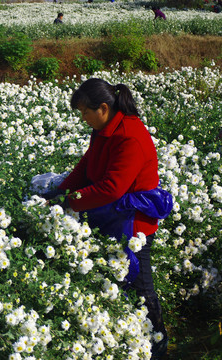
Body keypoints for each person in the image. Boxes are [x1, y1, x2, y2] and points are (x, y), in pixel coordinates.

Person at [44, 78, 171, 359]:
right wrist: (61, 190)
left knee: (141, 284)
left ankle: (159, 342)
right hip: (109, 214)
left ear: (103, 108)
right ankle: (133, 337)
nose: (83, 118)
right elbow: (87, 165)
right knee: (116, 279)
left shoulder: (130, 136)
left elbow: (113, 187)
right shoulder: (102, 130)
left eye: (85, 112)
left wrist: (72, 202)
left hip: (134, 221)